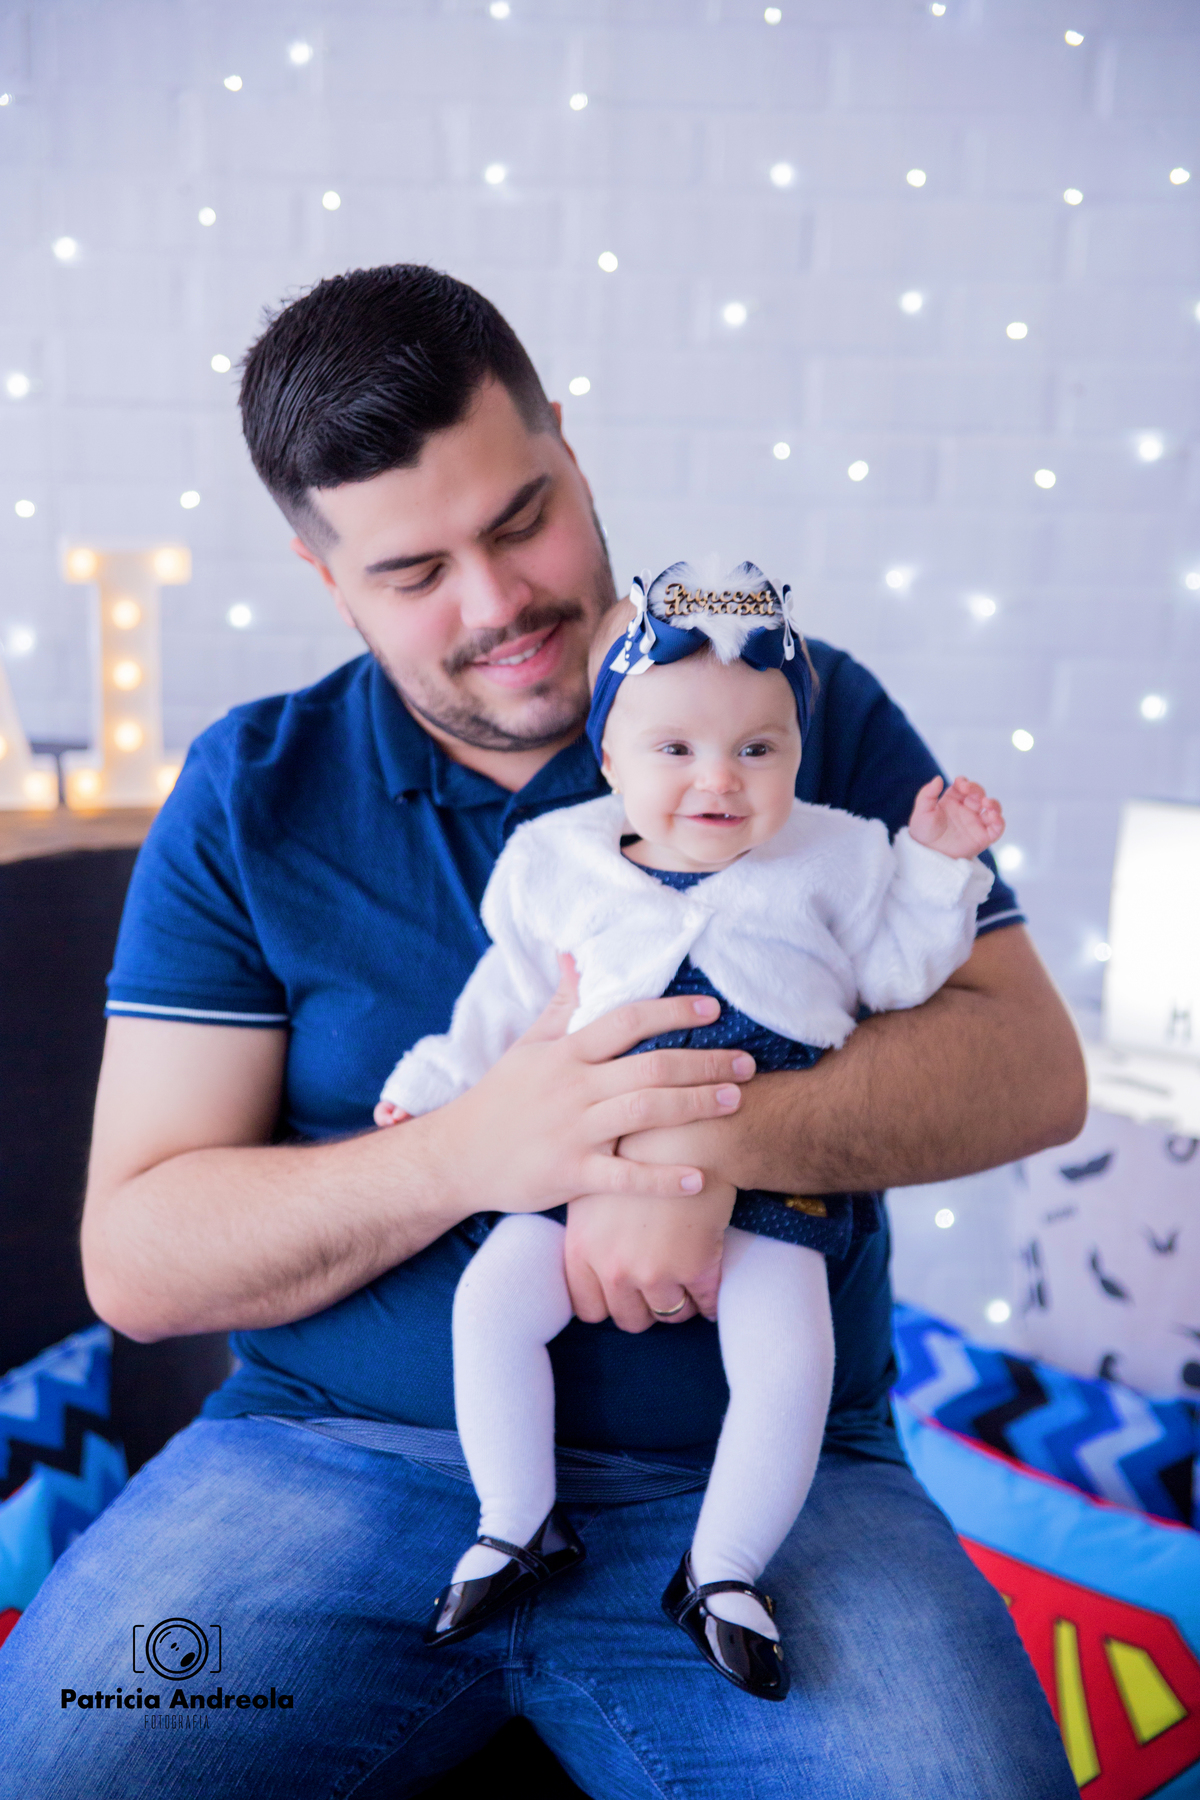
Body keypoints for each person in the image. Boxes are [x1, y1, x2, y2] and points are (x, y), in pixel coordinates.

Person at [0, 266, 1084, 1800]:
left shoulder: (782, 703)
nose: (497, 604)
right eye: (414, 570)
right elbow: (142, 1256)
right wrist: (481, 1149)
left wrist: (691, 1137)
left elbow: (1033, 1070)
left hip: (779, 1480)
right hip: (326, 1458)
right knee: (57, 1769)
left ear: (570, 448)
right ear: (329, 583)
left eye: (521, 520)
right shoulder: (253, 792)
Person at [377, 560, 1003, 1701]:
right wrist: (437, 1084)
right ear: (608, 754)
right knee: (493, 1305)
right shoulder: (553, 862)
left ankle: (722, 1570)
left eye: (756, 749)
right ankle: (517, 1520)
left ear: (798, 755)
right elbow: (509, 1000)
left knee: (789, 1363)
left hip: (771, 1178)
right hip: (586, 1161)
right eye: (674, 752)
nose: (717, 779)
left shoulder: (840, 856)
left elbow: (906, 974)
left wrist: (938, 868)